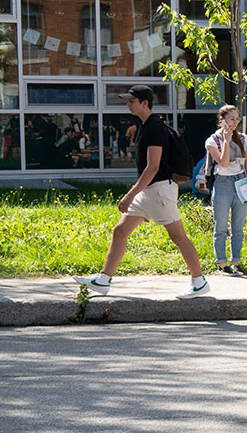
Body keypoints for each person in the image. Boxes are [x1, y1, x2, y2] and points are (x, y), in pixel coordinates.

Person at [74, 86, 209, 299]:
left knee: (178, 236)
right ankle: (103, 280)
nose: (128, 104)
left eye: (131, 101)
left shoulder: (155, 128)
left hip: (159, 191)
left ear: (144, 102)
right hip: (149, 192)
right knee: (120, 231)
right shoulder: (146, 127)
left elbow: (153, 167)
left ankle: (199, 281)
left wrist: (129, 194)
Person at [204, 104, 247, 275]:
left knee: (238, 227)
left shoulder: (243, 139)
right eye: (231, 119)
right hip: (222, 183)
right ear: (222, 120)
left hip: (240, 182)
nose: (235, 122)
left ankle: (235, 262)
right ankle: (222, 264)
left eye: (237, 119)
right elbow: (224, 163)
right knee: (220, 227)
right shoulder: (212, 140)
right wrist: (227, 142)